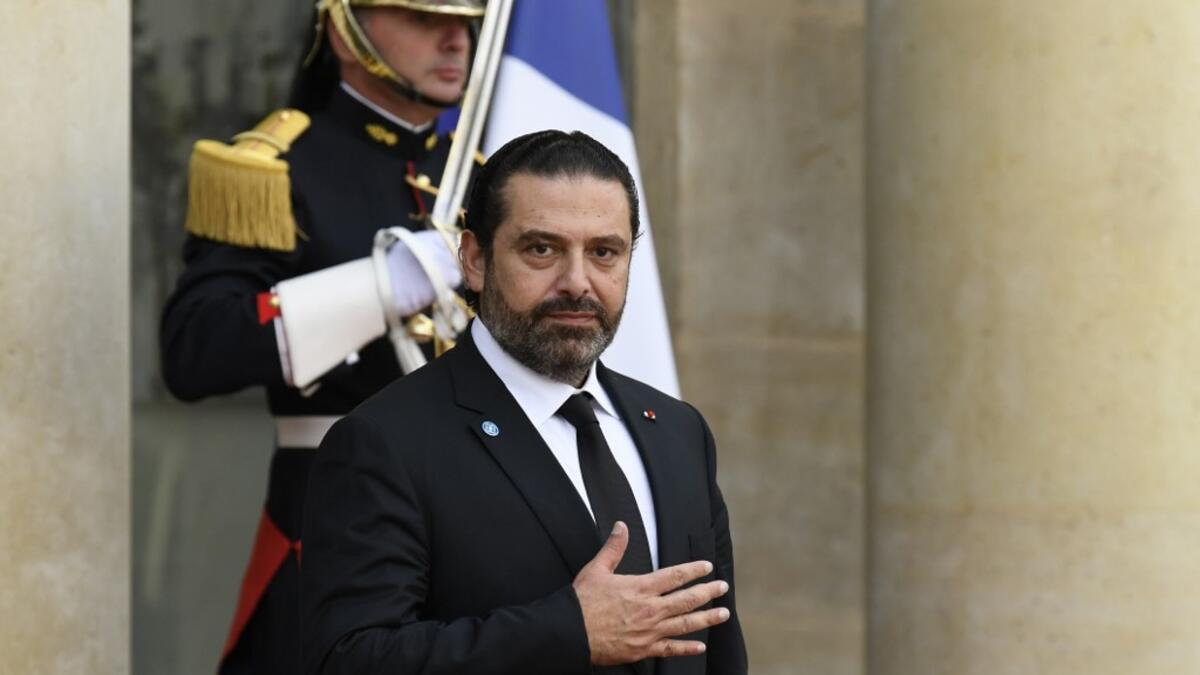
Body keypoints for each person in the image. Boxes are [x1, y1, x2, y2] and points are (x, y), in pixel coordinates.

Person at [302, 130, 748, 674]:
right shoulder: (384, 443)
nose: (577, 283)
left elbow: (718, 652)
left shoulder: (678, 431)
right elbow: (351, 661)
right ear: (474, 260)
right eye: (542, 249)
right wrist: (569, 632)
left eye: (604, 252)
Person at [159, 1, 484, 673]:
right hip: (340, 528)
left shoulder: (483, 174)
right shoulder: (276, 168)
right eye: (426, 19)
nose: (458, 38)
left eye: (467, 20)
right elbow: (196, 347)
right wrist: (376, 289)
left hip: (479, 527)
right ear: (344, 29)